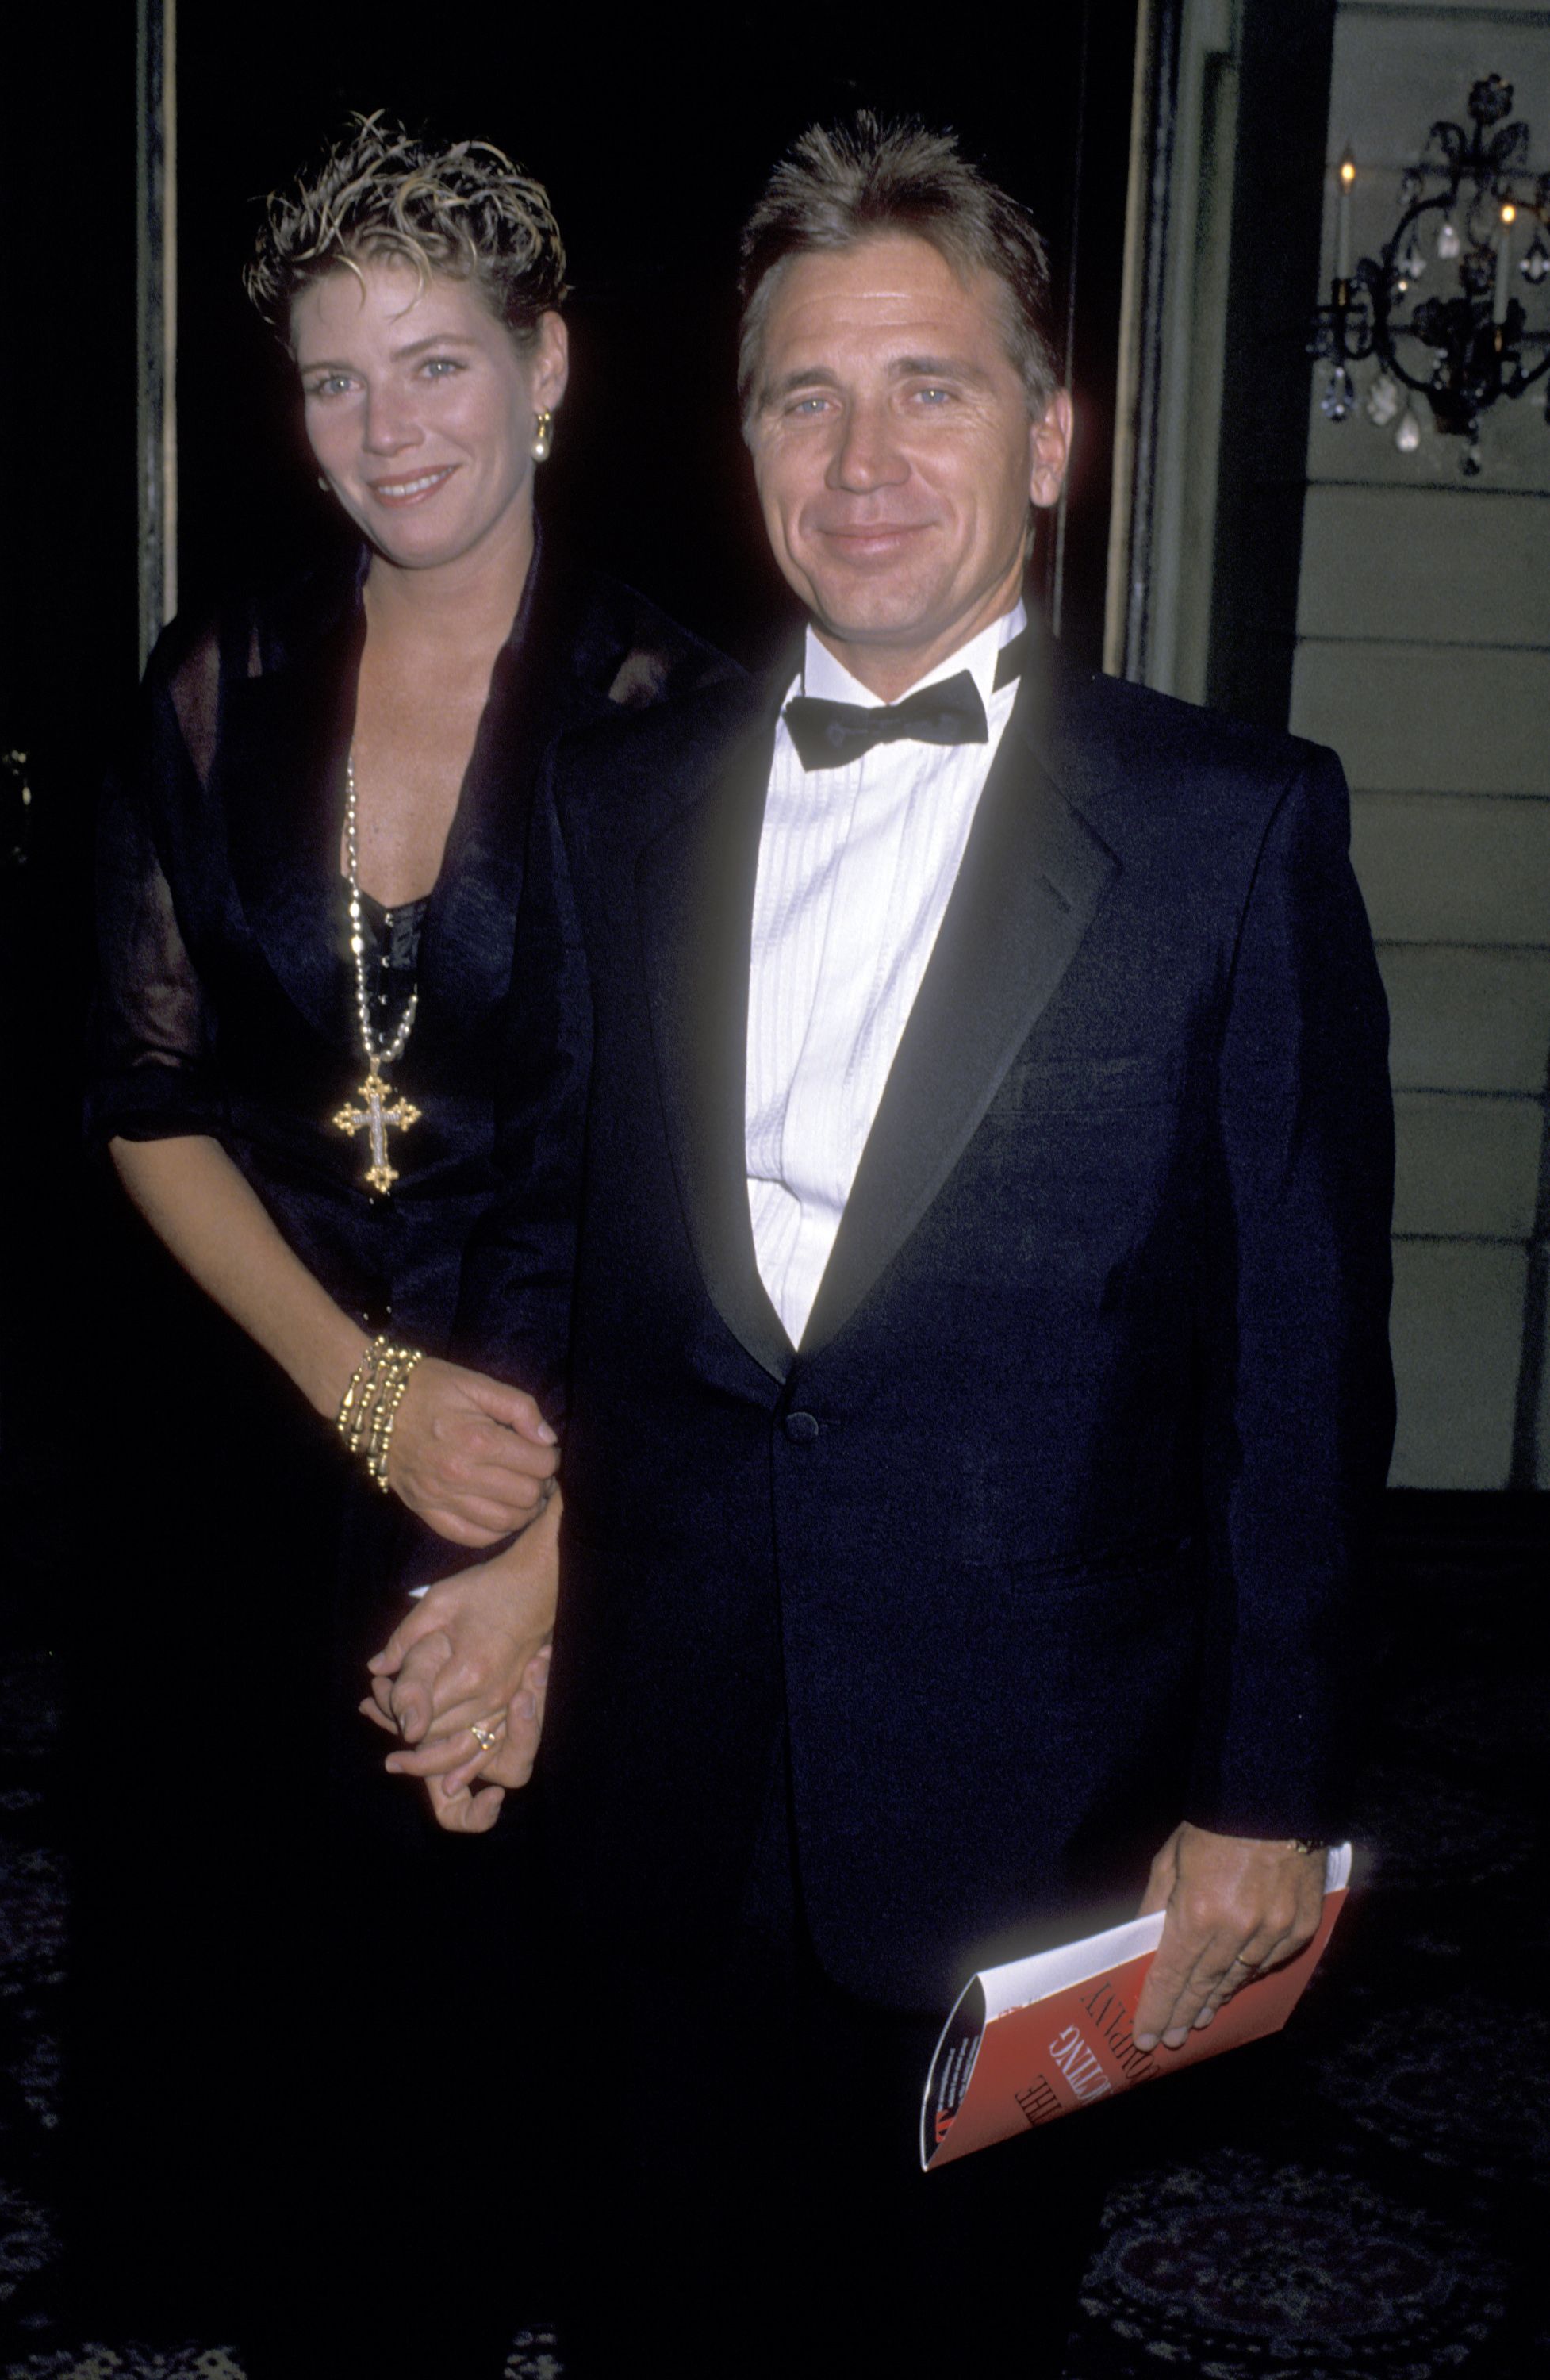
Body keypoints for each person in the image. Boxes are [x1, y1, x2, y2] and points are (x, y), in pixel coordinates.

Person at [437, 114, 1395, 2377]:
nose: (862, 456)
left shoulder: (1224, 828)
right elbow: (566, 1244)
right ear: (745, 434)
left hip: (1027, 1785)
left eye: (930, 387)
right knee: (659, 2304)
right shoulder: (620, 797)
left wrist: (1265, 1788)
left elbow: (1294, 1356)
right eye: (803, 393)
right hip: (662, 1759)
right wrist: (505, 1552)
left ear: (1049, 438)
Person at [76, 113, 727, 2378]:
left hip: (564, 1452)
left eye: (436, 365)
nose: (388, 430)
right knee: (267, 2036)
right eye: (337, 381)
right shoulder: (220, 674)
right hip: (261, 1423)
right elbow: (147, 1104)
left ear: (545, 367)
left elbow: (697, 1199)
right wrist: (355, 1388)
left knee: (496, 2073)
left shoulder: (679, 711)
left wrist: (540, 1554)